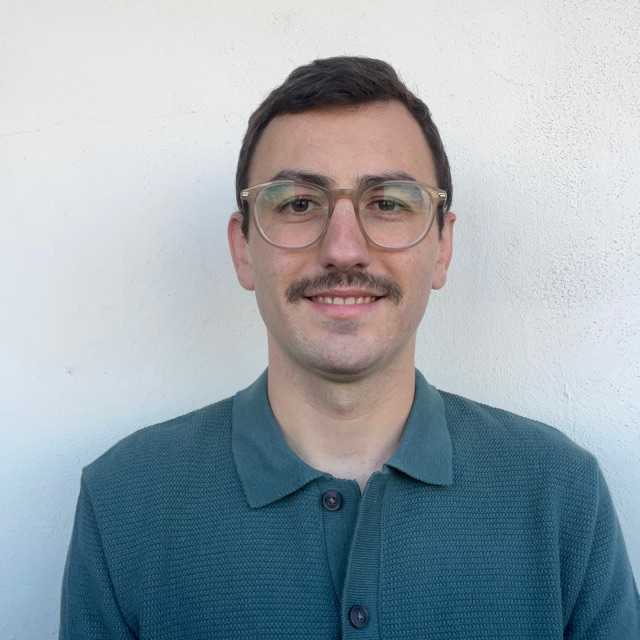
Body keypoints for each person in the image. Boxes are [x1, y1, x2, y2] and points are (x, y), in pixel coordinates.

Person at [59, 57, 639, 639]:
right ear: (243, 250)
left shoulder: (561, 494)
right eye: (298, 203)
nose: (343, 249)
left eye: (387, 203)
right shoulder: (125, 501)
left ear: (442, 247)